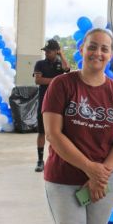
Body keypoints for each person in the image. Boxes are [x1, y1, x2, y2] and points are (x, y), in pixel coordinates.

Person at [42, 28, 113, 224]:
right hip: (64, 179)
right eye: (92, 47)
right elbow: (53, 134)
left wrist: (100, 174)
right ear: (82, 48)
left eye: (104, 49)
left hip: (105, 179)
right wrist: (89, 168)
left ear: (110, 54)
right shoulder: (61, 84)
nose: (98, 53)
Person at [33, 39, 70, 172]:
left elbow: (67, 69)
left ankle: (58, 159)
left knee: (59, 132)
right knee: (42, 132)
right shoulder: (40, 64)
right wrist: (57, 80)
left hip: (59, 102)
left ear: (56, 51)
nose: (46, 53)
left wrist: (62, 55)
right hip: (44, 100)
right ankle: (39, 160)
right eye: (45, 51)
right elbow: (38, 80)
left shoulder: (60, 64)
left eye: (49, 51)